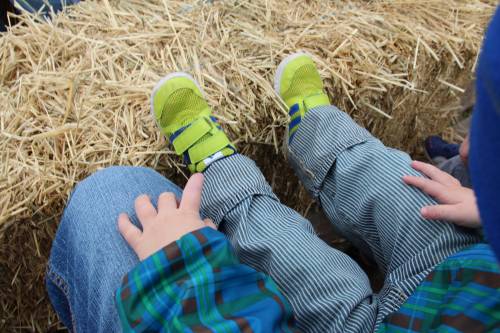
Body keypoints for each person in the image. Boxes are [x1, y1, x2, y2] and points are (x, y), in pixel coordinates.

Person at [46, 16, 500, 332]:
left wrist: (184, 274)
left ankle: (216, 169)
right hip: (465, 281)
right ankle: (319, 127)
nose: (462, 147)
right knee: (396, 181)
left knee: (304, 265)